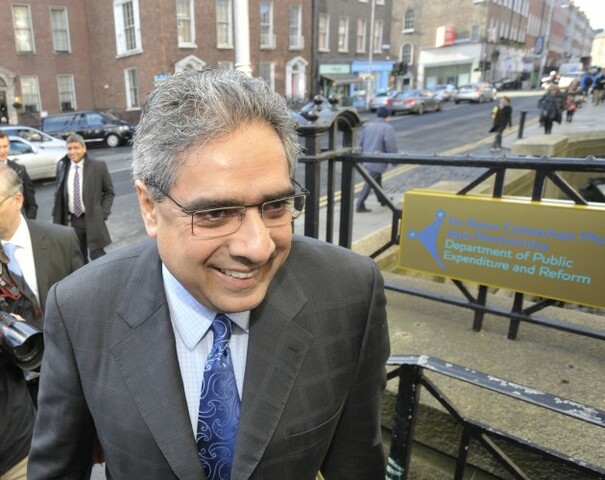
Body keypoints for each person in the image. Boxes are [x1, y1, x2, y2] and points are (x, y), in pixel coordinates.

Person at [29, 68, 390, 479]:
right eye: (216, 213)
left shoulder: (350, 292)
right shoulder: (81, 308)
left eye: (276, 206)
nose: (258, 247)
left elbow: (358, 466)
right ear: (149, 207)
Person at [0, 165, 83, 479]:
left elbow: (85, 312)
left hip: (60, 385)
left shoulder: (62, 239)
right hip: (13, 403)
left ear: (17, 199)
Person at [52, 133, 115, 263]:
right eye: (69, 148)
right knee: (79, 257)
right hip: (74, 220)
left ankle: (103, 275)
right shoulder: (63, 166)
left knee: (97, 255)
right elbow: (58, 192)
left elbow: (109, 192)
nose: (72, 152)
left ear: (84, 148)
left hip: (93, 218)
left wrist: (102, 213)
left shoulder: (98, 166)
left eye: (76, 148)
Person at [356, 106, 398, 213]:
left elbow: (361, 142)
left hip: (367, 158)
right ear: (388, 116)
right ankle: (360, 204)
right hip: (378, 160)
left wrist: (360, 157)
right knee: (370, 182)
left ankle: (383, 200)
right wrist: (394, 159)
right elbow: (390, 145)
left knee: (376, 181)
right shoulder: (387, 127)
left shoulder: (368, 126)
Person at [0, 131, 38, 219]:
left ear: (9, 146)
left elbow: (31, 204)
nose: (2, 151)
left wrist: (28, 224)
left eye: (5, 146)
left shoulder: (20, 170)